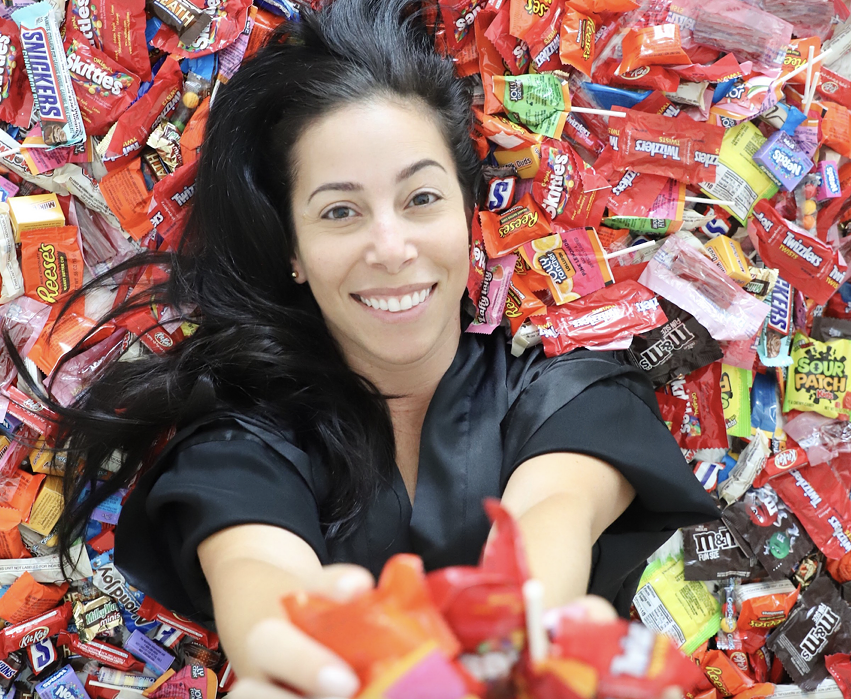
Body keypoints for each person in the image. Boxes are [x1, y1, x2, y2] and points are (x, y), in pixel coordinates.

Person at [39, 0, 720, 696]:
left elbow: (547, 524)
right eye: (340, 211)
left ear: (468, 209)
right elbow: (262, 578)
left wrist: (513, 640)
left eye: (421, 198)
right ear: (293, 250)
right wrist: (294, 653)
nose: (391, 248)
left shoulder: (568, 389)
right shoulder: (242, 442)